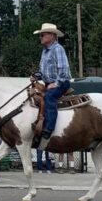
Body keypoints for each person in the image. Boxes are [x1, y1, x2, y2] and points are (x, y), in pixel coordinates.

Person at [31, 22, 72, 150]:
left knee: (49, 97)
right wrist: (37, 76)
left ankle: (49, 128)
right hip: (49, 83)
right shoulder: (45, 51)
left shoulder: (58, 49)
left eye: (43, 34)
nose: (41, 37)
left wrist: (56, 83)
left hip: (61, 82)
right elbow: (43, 72)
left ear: (52, 36)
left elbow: (64, 69)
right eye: (40, 35)